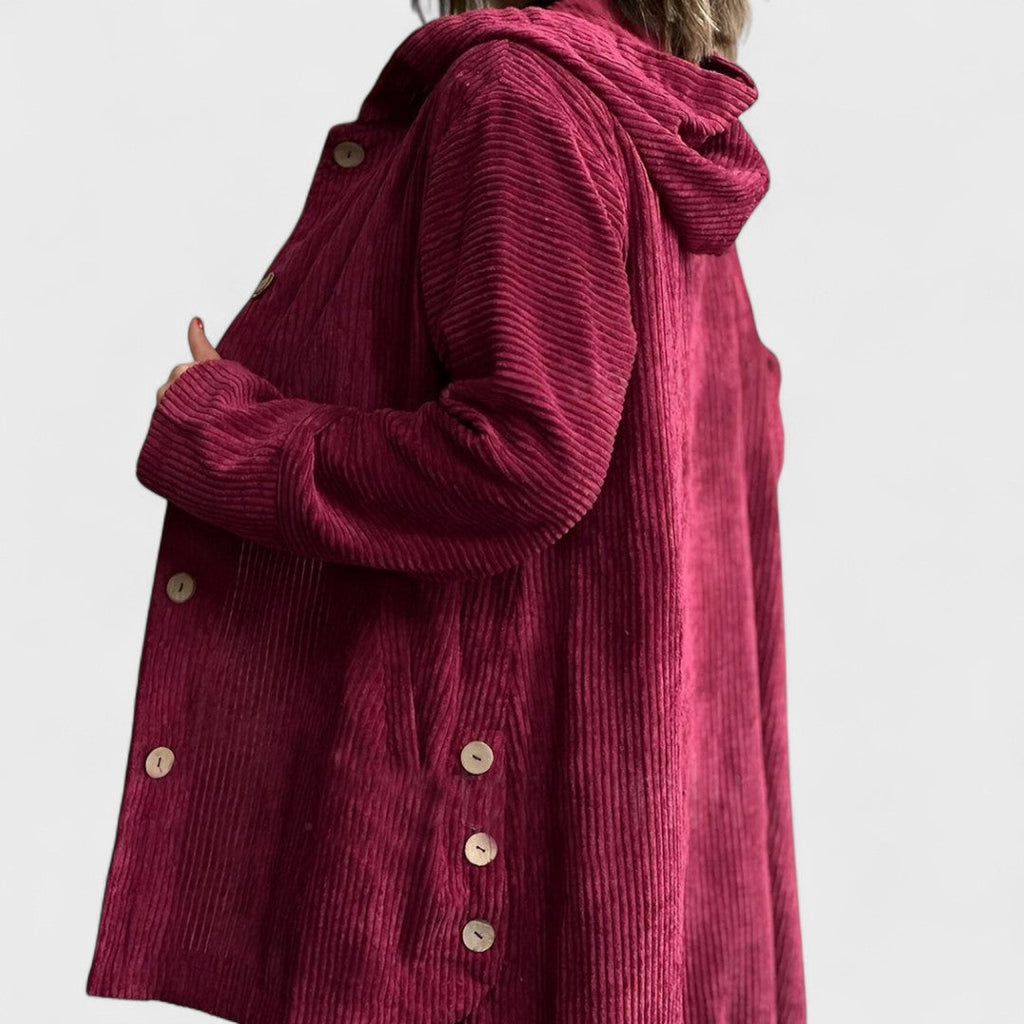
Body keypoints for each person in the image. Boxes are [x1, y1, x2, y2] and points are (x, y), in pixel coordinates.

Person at [86, 0, 806, 1021]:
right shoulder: (661, 127)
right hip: (634, 849)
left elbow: (527, 461)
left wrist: (230, 435)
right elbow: (729, 439)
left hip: (479, 868)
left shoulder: (518, 97)